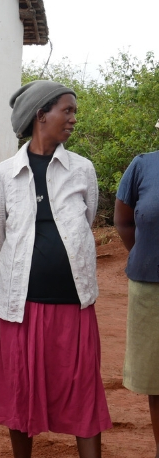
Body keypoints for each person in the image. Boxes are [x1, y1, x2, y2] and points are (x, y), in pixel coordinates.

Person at [0, 80, 112, 457]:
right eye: (66, 110)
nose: (72, 119)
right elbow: (1, 237)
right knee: (21, 393)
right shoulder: (4, 174)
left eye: (73, 112)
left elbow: (85, 226)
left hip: (74, 302)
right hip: (19, 306)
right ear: (40, 115)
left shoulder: (82, 169)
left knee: (83, 390)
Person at [114, 150, 159, 458]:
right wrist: (144, 257)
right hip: (150, 287)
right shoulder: (143, 166)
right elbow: (124, 220)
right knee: (156, 378)